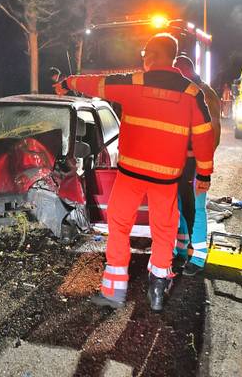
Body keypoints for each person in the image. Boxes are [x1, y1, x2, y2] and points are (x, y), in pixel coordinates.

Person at [54, 33, 215, 312]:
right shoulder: (192, 93)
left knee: (119, 227)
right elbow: (204, 137)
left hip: (131, 176)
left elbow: (97, 84)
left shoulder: (134, 82)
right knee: (164, 231)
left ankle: (115, 291)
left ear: (151, 55)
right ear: (173, 57)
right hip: (166, 178)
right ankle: (156, 291)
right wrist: (204, 175)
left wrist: (67, 83)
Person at [173, 56, 222, 275]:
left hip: (196, 162)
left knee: (197, 209)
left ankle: (199, 258)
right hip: (179, 161)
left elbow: (213, 133)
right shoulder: (184, 92)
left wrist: (204, 166)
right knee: (181, 207)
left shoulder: (205, 94)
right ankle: (182, 250)